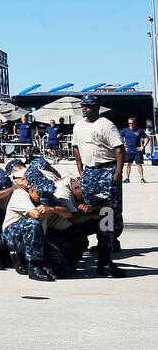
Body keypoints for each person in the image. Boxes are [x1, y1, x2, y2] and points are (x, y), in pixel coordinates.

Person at [73, 94, 126, 276]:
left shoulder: (106, 125)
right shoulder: (78, 125)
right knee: (89, 212)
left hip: (107, 171)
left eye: (88, 106)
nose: (85, 108)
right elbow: (76, 147)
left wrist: (117, 173)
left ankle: (104, 260)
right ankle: (88, 248)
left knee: (107, 214)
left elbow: (119, 149)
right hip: (89, 172)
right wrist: (80, 168)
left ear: (97, 107)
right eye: (83, 105)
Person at [120, 117, 146, 183]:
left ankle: (142, 178)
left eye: (132, 123)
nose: (131, 124)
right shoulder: (125, 130)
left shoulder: (139, 130)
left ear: (135, 123)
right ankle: (127, 178)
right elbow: (119, 137)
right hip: (129, 151)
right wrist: (123, 146)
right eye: (129, 123)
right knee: (128, 164)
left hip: (137, 150)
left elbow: (146, 138)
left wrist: (143, 146)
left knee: (139, 165)